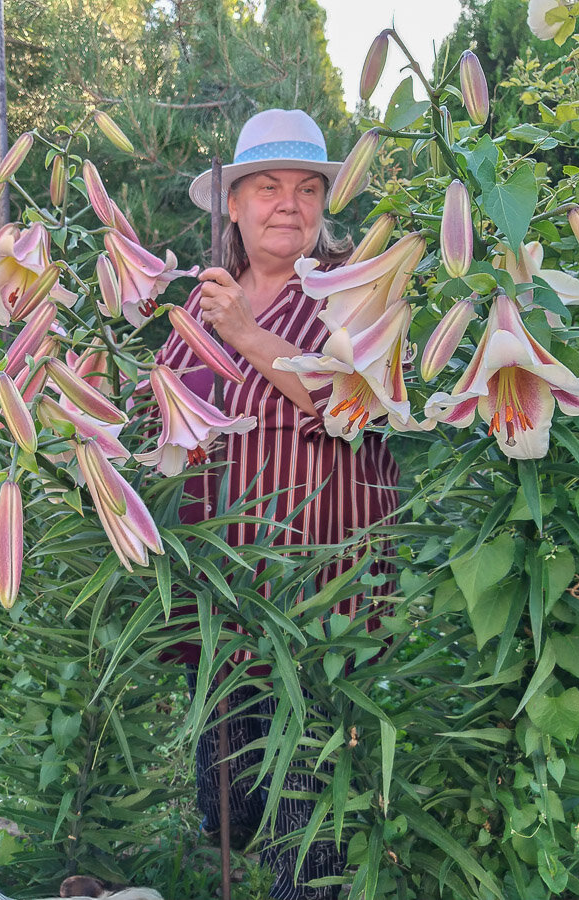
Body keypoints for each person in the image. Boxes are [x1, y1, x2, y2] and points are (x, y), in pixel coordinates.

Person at [154, 109, 400, 900]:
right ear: (232, 203)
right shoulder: (204, 301)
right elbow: (161, 416)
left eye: (307, 188)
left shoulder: (355, 286)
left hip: (320, 600)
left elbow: (358, 409)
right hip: (222, 599)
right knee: (228, 800)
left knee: (307, 813)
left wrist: (251, 335)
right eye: (267, 187)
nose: (288, 203)